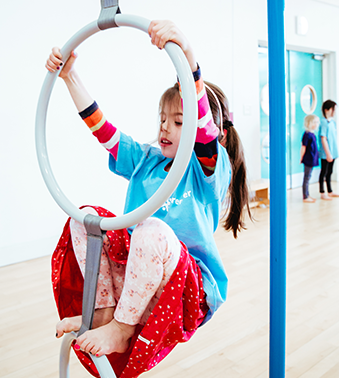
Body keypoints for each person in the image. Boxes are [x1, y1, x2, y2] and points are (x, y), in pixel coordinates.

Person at [46, 20, 251, 374]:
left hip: (186, 287)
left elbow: (203, 132)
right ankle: (107, 314)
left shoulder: (207, 170)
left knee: (151, 228)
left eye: (178, 121)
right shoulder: (146, 159)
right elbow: (102, 128)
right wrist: (70, 76)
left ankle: (124, 330)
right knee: (85, 218)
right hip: (137, 277)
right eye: (162, 118)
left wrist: (187, 55)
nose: (164, 128)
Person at [318, 100, 339, 200]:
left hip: (333, 151)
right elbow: (323, 138)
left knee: (330, 172)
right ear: (327, 110)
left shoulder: (332, 122)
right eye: (333, 109)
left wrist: (332, 153)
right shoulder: (323, 122)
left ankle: (330, 191)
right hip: (326, 153)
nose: (334, 111)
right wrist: (328, 153)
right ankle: (322, 192)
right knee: (324, 172)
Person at [300, 114, 319, 203]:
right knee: (306, 177)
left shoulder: (312, 134)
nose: (316, 124)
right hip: (308, 159)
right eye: (314, 122)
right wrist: (301, 157)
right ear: (308, 123)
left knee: (308, 176)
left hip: (312, 158)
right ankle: (305, 196)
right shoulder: (307, 135)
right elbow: (303, 147)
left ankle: (307, 194)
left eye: (316, 122)